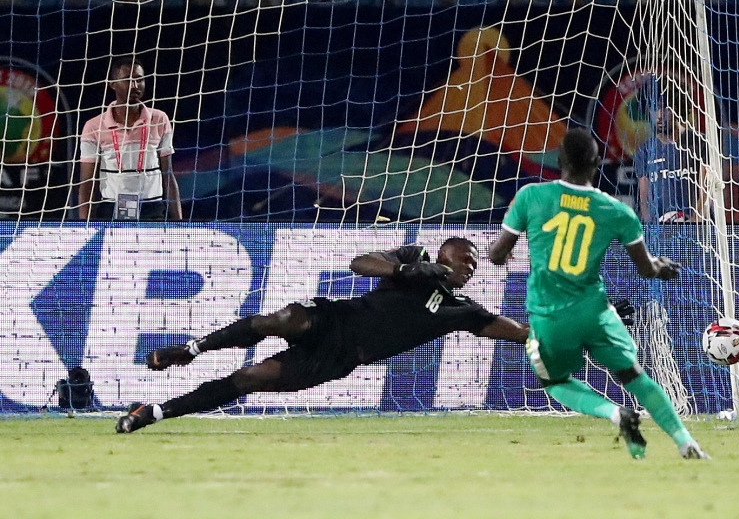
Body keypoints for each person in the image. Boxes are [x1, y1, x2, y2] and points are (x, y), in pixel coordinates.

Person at [117, 237, 595, 432]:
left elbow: (523, 334)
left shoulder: (464, 310)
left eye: (473, 265)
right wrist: (412, 268)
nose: (470, 269)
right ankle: (191, 348)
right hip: (336, 318)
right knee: (278, 319)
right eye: (464, 260)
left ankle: (156, 412)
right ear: (445, 256)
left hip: (342, 357)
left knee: (249, 378)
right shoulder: (414, 258)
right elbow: (359, 263)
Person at [488, 128, 708, 460]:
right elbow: (646, 269)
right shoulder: (617, 211)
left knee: (555, 382)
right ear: (595, 163)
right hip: (596, 313)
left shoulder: (531, 196)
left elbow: (497, 253)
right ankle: (685, 441)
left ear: (560, 160)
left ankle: (613, 414)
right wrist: (661, 267)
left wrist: (503, 253)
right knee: (634, 376)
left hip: (549, 317)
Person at [78, 56, 182, 221]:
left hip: (152, 208)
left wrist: (179, 224)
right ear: (113, 84)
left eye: (139, 80)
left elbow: (168, 174)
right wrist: (84, 225)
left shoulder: (159, 119)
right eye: (128, 80)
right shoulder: (94, 126)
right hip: (111, 208)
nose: (135, 86)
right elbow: (87, 183)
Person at [634, 98, 706, 224]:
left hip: (696, 228)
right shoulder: (645, 150)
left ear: (677, 110)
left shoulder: (699, 143)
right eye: (655, 109)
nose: (660, 115)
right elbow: (643, 198)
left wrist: (695, 222)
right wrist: (650, 225)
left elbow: (706, 190)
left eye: (665, 109)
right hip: (661, 231)